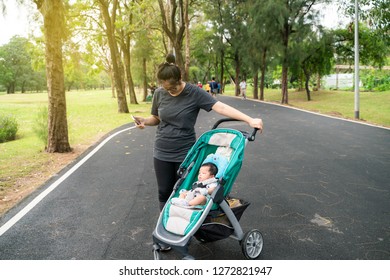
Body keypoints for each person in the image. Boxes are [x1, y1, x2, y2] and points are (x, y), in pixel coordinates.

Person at [132, 53, 263, 211]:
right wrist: (145, 121)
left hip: (184, 152)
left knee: (185, 191)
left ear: (180, 79)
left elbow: (220, 107)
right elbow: (156, 118)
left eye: (173, 88)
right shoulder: (160, 93)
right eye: (166, 88)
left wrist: (249, 119)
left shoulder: (194, 93)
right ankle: (167, 224)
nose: (170, 91)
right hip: (162, 150)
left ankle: (184, 227)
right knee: (164, 192)